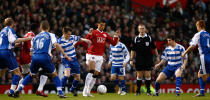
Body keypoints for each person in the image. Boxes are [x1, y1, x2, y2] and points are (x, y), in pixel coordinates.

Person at [14, 20, 70, 98]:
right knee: (54, 74)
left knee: (31, 74)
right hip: (44, 57)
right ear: (49, 27)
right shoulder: (51, 35)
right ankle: (60, 92)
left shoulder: (35, 37)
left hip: (34, 57)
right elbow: (56, 44)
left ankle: (19, 89)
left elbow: (31, 52)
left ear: (40, 28)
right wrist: (64, 53)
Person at [83, 20, 120, 97]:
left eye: (104, 25)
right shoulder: (94, 32)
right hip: (91, 54)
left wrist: (116, 36)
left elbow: (113, 43)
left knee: (95, 75)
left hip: (100, 56)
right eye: (101, 25)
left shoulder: (105, 34)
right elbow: (88, 40)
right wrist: (89, 33)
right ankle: (85, 90)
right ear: (98, 25)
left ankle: (89, 91)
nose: (102, 27)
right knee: (91, 71)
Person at [0, 18, 32, 97]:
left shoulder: (2, 31)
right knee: (18, 73)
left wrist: (18, 44)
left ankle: (11, 92)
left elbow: (8, 43)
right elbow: (14, 40)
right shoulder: (10, 30)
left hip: (1, 52)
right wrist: (27, 38)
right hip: (7, 53)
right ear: (12, 23)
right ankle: (11, 92)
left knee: (1, 73)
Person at [58, 26, 91, 96]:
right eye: (68, 34)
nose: (70, 36)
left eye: (70, 34)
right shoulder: (59, 41)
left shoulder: (72, 37)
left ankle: (72, 89)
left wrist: (86, 40)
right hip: (65, 59)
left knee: (78, 78)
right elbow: (53, 46)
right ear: (64, 33)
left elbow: (79, 39)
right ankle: (60, 90)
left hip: (73, 59)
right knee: (67, 75)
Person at [18, 23, 48, 97]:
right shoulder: (32, 36)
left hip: (22, 58)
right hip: (28, 57)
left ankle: (16, 91)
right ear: (36, 29)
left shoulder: (26, 34)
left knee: (25, 76)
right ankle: (40, 90)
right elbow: (30, 49)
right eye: (38, 28)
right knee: (44, 70)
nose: (39, 30)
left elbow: (21, 44)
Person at [182, 20, 210, 97]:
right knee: (199, 74)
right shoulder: (208, 34)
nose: (196, 27)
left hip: (204, 57)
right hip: (209, 55)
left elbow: (192, 45)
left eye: (196, 26)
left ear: (199, 26)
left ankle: (202, 92)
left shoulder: (198, 34)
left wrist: (184, 53)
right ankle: (202, 92)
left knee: (204, 77)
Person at [130, 24, 159, 95]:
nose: (142, 30)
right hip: (139, 59)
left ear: (145, 29)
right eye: (140, 29)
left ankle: (148, 91)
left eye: (143, 28)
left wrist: (157, 56)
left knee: (148, 75)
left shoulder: (149, 38)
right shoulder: (136, 38)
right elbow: (133, 50)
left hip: (148, 59)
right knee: (139, 75)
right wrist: (131, 59)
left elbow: (154, 48)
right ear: (138, 30)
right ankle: (138, 91)